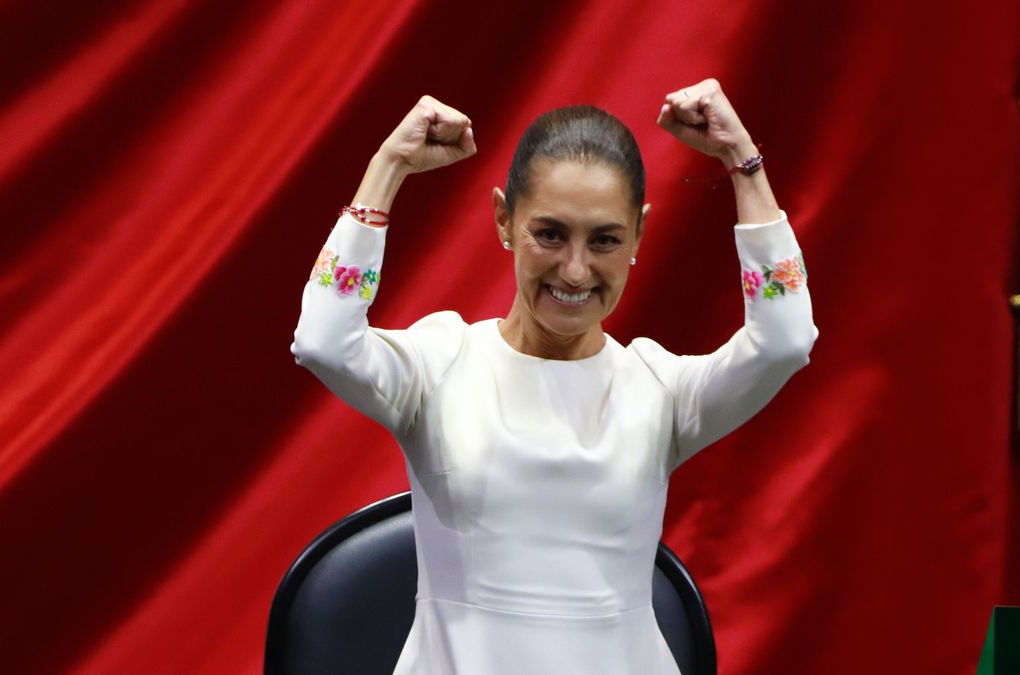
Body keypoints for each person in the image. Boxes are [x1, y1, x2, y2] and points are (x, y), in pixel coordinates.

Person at [291, 78, 817, 675]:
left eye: (605, 240)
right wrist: (387, 167)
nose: (575, 269)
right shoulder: (439, 365)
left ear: (638, 236)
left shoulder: (660, 390)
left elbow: (786, 339)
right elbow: (323, 340)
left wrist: (742, 164)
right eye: (550, 234)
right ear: (504, 221)